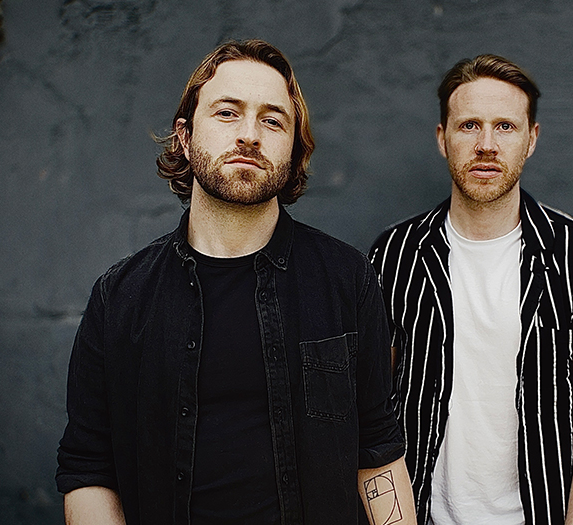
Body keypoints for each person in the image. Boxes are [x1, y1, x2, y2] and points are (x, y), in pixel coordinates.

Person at [57, 39, 415, 525]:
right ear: (185, 137)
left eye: (272, 120)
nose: (250, 134)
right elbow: (88, 469)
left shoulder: (345, 279)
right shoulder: (119, 298)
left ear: (293, 146)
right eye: (227, 113)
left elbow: (377, 448)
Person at [369, 54, 573, 524]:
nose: (486, 144)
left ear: (531, 139)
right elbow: (367, 411)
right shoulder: (394, 255)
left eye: (505, 127)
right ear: (442, 138)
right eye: (469, 125)